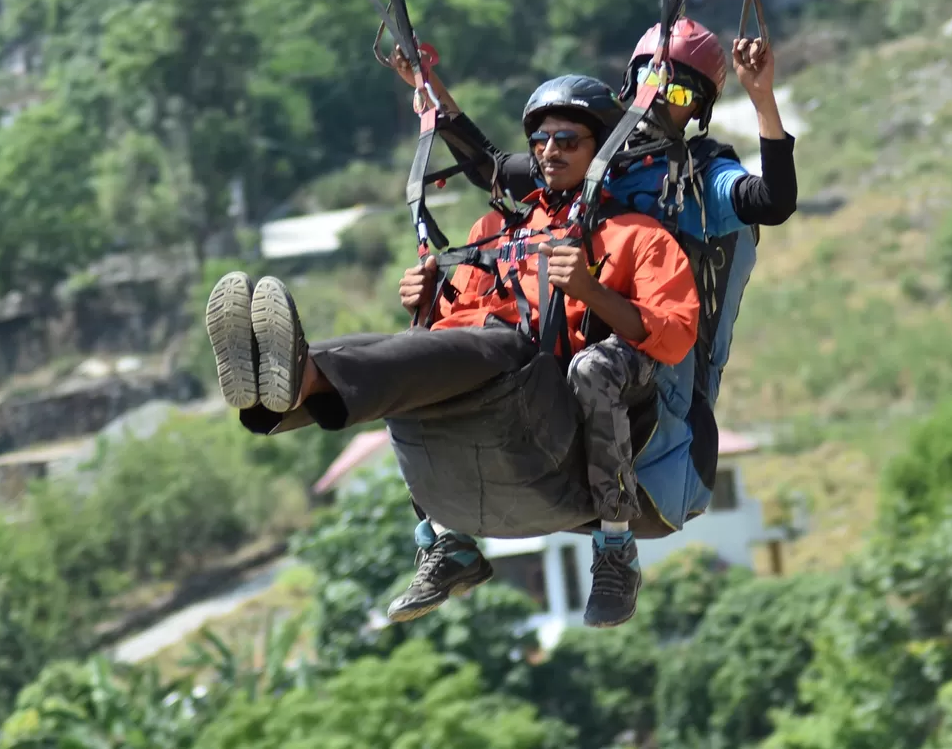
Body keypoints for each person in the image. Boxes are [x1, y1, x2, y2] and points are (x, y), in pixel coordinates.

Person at [205, 75, 700, 629]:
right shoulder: (495, 230)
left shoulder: (638, 236)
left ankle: (614, 553)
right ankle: (292, 385)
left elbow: (673, 332)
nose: (550, 149)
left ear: (600, 150)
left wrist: (591, 292)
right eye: (540, 139)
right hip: (492, 377)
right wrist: (425, 301)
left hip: (550, 394)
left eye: (568, 139)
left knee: (492, 349)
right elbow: (451, 326)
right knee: (412, 347)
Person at [389, 19, 796, 535]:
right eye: (649, 79)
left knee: (593, 366)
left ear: (698, 109)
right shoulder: (592, 157)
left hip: (646, 357)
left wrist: (762, 99)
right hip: (567, 337)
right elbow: (489, 169)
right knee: (437, 345)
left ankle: (614, 544)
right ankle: (441, 536)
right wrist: (429, 88)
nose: (656, 97)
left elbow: (774, 201)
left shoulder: (698, 176)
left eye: (676, 90)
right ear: (628, 84)